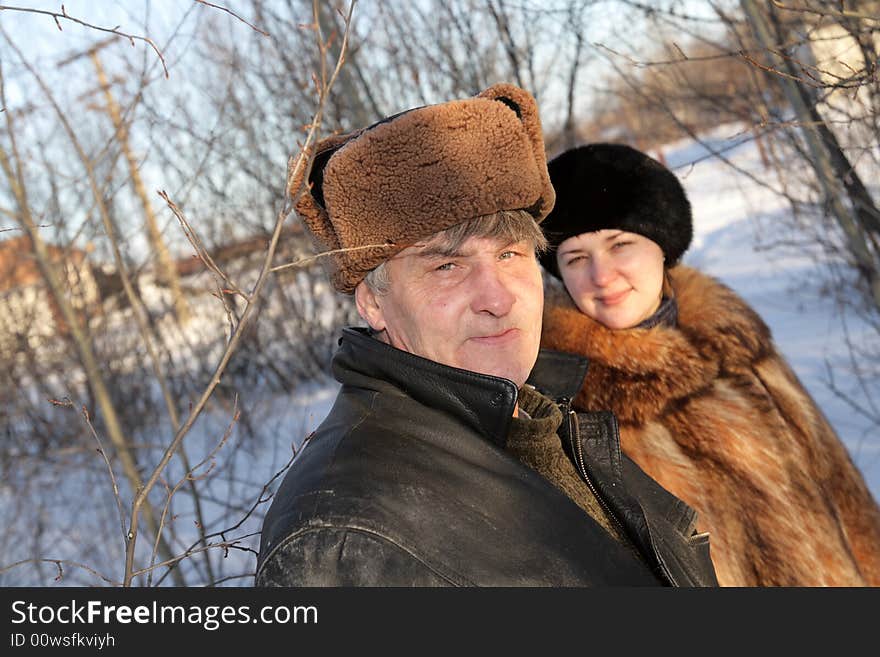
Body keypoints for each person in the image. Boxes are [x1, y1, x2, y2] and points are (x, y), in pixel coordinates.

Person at [255, 85, 718, 586]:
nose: (497, 299)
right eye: (447, 265)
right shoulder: (341, 536)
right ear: (372, 301)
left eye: (509, 255)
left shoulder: (545, 420)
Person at [535, 142, 880, 586]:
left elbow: (842, 495)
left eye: (620, 245)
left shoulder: (737, 346)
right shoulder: (568, 403)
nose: (601, 277)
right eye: (576, 259)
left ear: (663, 247)